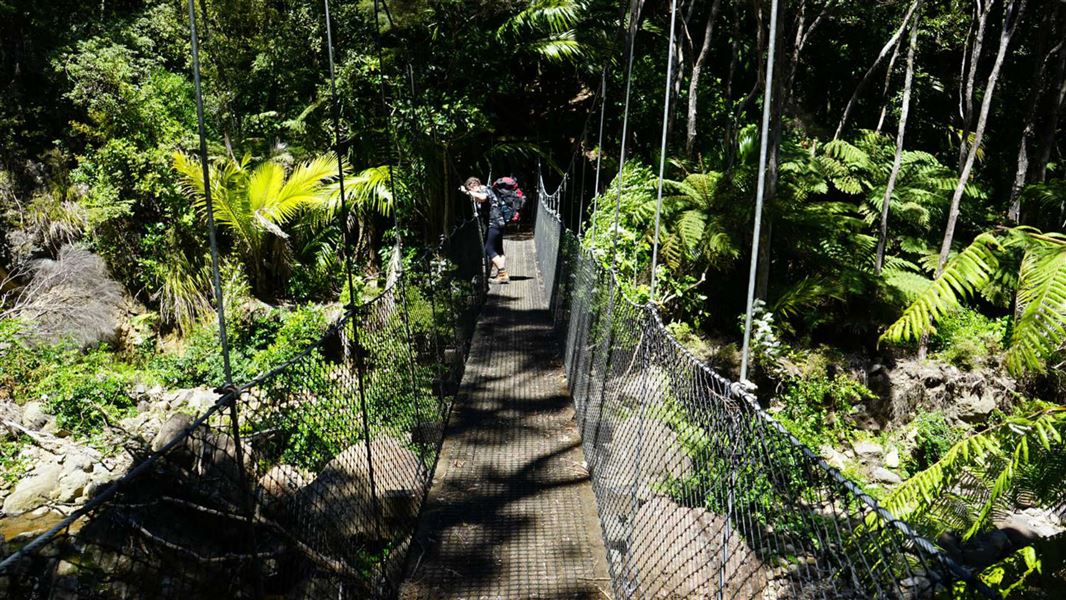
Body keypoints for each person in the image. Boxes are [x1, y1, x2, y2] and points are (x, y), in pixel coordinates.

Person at [460, 176, 508, 284]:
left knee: (488, 248)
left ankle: (503, 273)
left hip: (494, 223)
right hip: (499, 222)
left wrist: (467, 193)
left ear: (473, 186)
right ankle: (501, 274)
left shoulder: (484, 190)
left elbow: (483, 198)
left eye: (470, 189)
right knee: (498, 249)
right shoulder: (488, 189)